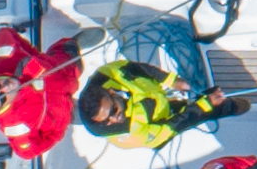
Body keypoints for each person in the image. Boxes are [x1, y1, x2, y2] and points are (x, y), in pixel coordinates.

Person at [74, 58, 245, 150]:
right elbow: (174, 125)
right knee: (192, 114)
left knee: (193, 97)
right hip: (161, 123)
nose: (114, 119)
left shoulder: (106, 74)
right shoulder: (131, 134)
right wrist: (205, 106)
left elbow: (136, 68)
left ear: (111, 91)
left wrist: (170, 80)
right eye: (105, 122)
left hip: (157, 94)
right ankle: (223, 108)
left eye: (113, 110)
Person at [0, 25, 83, 158]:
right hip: (66, 111)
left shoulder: (2, 60)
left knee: (72, 54)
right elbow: (26, 153)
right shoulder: (15, 126)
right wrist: (58, 130)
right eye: (2, 97)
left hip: (64, 69)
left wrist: (34, 55)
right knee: (95, 114)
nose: (5, 88)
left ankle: (73, 45)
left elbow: (4, 33)